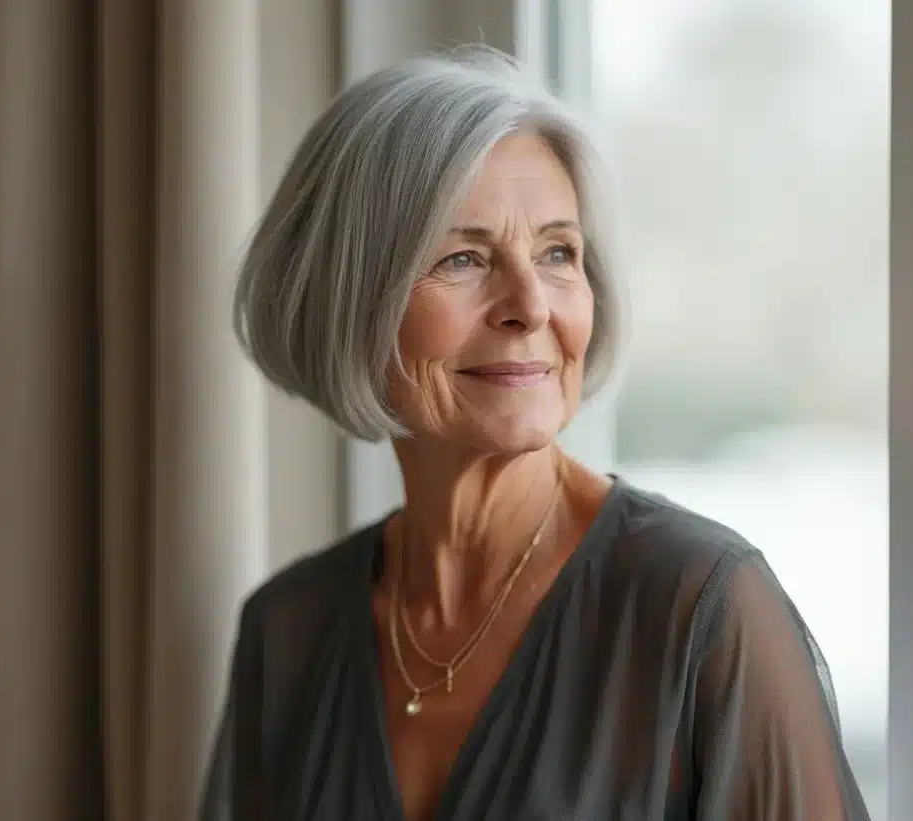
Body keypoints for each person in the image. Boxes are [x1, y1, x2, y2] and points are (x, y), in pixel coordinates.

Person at [202, 46, 872, 821]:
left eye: (558, 252)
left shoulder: (702, 607)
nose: (530, 304)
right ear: (349, 303)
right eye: (462, 258)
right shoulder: (289, 631)